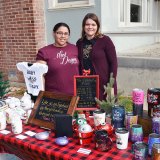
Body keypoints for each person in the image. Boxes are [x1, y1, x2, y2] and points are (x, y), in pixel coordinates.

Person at [76, 13, 118, 100]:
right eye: (87, 24)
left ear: (97, 26)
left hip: (104, 84)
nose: (90, 27)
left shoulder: (105, 40)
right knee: (89, 111)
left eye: (93, 24)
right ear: (83, 26)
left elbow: (113, 62)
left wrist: (111, 83)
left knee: (106, 111)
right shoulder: (80, 42)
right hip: (86, 84)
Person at [36, 22, 79, 95]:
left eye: (66, 34)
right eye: (59, 33)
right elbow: (39, 76)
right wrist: (41, 95)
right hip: (54, 97)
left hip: (75, 96)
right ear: (54, 33)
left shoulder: (75, 48)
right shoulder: (44, 52)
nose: (63, 36)